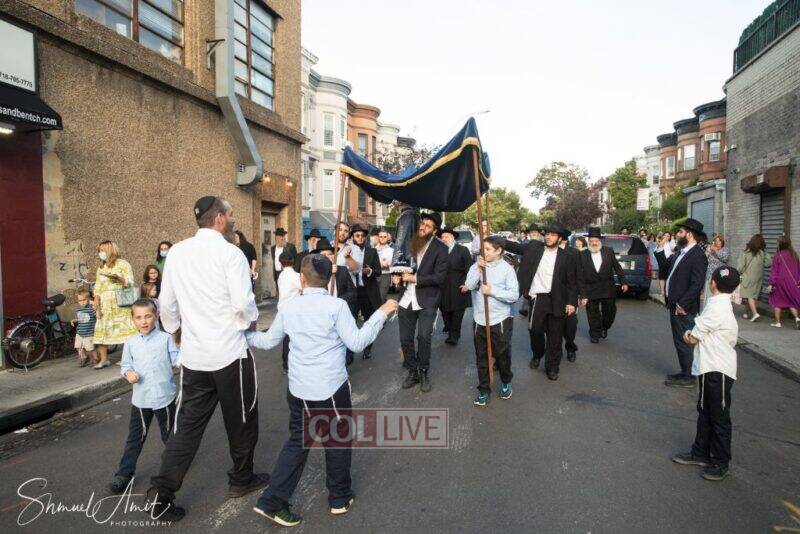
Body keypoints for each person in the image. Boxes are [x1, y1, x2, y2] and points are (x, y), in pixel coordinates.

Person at [246, 255, 398, 526]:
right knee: (336, 440)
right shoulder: (336, 306)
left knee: (298, 441)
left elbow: (268, 341)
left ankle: (272, 501)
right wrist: (381, 313)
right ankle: (339, 498)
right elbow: (357, 343)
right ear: (330, 279)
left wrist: (242, 335)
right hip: (329, 388)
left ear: (302, 278)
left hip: (298, 388)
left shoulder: (290, 307)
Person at [147, 196, 265, 522]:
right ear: (219, 219)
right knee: (241, 420)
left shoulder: (177, 252)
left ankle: (162, 493)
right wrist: (248, 323)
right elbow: (243, 304)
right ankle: (241, 479)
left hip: (195, 357)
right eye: (231, 214)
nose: (234, 219)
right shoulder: (231, 254)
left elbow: (165, 303)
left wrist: (175, 329)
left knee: (186, 427)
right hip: (229, 354)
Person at [671, 266, 740, 482]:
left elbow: (692, 337)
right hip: (709, 366)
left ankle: (720, 462)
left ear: (713, 283)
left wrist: (687, 334)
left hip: (718, 369)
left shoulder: (717, 307)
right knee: (705, 411)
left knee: (719, 417)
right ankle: (700, 452)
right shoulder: (720, 304)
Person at [108, 299, 179, 494]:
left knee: (170, 436)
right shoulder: (130, 343)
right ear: (133, 320)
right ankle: (124, 474)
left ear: (156, 316)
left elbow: (177, 360)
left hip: (164, 397)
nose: (144, 321)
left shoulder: (166, 339)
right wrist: (128, 373)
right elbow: (125, 365)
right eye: (139, 317)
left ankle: (174, 469)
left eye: (148, 316)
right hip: (141, 400)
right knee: (135, 439)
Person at [504, 223, 577, 381]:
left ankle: (552, 367)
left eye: (553, 235)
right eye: (547, 234)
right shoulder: (534, 248)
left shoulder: (567, 257)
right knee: (535, 331)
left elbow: (572, 281)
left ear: (559, 238)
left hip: (558, 299)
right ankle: (537, 354)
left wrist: (572, 302)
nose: (548, 237)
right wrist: (494, 240)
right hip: (538, 298)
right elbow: (515, 247)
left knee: (555, 335)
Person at [464, 236, 518, 406]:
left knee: (502, 354)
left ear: (498, 250)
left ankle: (506, 380)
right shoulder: (476, 265)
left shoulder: (507, 269)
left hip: (499, 319)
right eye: (483, 249)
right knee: (481, 356)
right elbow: (469, 285)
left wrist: (492, 291)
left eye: (487, 249)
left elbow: (513, 295)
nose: (484, 252)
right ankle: (484, 389)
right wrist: (478, 269)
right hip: (479, 319)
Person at [398, 212, 448, 392]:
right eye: (422, 224)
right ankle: (413, 371)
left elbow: (440, 277)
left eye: (428, 226)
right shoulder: (409, 241)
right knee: (405, 339)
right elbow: (401, 263)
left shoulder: (441, 248)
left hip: (427, 299)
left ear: (434, 231)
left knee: (424, 337)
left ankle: (424, 371)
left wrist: (415, 279)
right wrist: (397, 277)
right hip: (406, 299)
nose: (423, 228)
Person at [655, 219, 708, 388]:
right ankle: (685, 371)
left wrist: (682, 304)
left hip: (684, 308)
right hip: (675, 304)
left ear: (689, 235)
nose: (677, 235)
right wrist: (660, 247)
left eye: (680, 232)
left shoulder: (697, 255)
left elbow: (697, 284)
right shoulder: (681, 252)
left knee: (686, 341)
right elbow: (665, 267)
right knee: (679, 340)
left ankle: (690, 376)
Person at [313, 238, 359, 365]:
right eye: (324, 255)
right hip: (322, 317)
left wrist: (338, 302)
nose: (327, 257)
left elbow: (353, 293)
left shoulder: (342, 271)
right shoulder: (314, 274)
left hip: (340, 314)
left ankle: (345, 360)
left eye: (330, 254)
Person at [578, 228, 628, 343]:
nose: (594, 243)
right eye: (591, 241)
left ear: (600, 241)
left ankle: (604, 327)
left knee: (610, 312)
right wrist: (582, 294)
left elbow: (617, 267)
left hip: (607, 287)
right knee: (592, 313)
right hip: (590, 288)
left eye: (596, 240)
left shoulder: (608, 251)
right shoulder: (582, 255)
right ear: (588, 241)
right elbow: (579, 276)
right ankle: (595, 334)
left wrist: (624, 282)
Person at [93, 240, 137, 370]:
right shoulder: (101, 268)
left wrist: (119, 278)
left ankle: (128, 358)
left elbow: (130, 282)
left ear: (110, 250)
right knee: (102, 330)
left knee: (126, 331)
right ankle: (104, 360)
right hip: (105, 305)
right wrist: (96, 299)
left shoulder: (123, 264)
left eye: (103, 250)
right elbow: (98, 286)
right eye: (99, 250)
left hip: (121, 303)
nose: (100, 253)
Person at [341, 225, 383, 359]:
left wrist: (370, 271)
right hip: (352, 291)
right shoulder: (348, 251)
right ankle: (350, 352)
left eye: (363, 236)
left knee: (369, 321)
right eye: (357, 235)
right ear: (352, 237)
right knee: (350, 321)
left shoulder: (372, 252)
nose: (360, 238)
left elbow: (378, 271)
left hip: (367, 291)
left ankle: (367, 348)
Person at [437, 228, 472, 346]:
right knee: (444, 310)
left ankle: (454, 336)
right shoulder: (439, 251)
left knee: (457, 312)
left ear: (453, 238)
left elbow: (469, 268)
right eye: (442, 237)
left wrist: (467, 284)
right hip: (442, 285)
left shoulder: (463, 250)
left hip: (458, 284)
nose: (444, 239)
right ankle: (449, 326)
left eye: (446, 237)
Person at [736, 233, 771, 322]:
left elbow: (740, 267)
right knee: (751, 296)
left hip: (747, 278)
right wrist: (765, 251)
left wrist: (739, 273)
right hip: (758, 279)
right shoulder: (762, 253)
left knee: (749, 296)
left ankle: (755, 314)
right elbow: (768, 263)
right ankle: (746, 313)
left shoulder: (745, 252)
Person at [767, 235, 800, 328]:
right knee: (790, 302)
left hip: (780, 282)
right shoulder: (794, 255)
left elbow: (774, 271)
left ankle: (777, 322)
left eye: (777, 242)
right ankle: (797, 319)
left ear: (780, 244)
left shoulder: (778, 255)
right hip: (792, 282)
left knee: (777, 301)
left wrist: (772, 283)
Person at [277, 250, 302, 372]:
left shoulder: (281, 276)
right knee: (293, 338)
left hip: (282, 308)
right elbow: (303, 288)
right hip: (293, 310)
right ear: (293, 261)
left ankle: (285, 363)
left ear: (281, 263)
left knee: (286, 337)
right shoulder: (296, 276)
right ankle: (291, 363)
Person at [559, 229, 581, 362]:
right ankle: (556, 352)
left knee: (570, 326)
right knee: (554, 327)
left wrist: (582, 295)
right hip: (553, 296)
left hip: (570, 296)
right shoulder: (547, 252)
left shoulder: (574, 253)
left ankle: (570, 347)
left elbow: (579, 275)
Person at [71, 288, 97, 367]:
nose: (82, 302)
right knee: (78, 347)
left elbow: (97, 316)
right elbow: (80, 319)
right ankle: (84, 357)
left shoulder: (91, 309)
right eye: (80, 300)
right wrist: (74, 320)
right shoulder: (79, 310)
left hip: (89, 333)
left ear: (88, 299)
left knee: (90, 348)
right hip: (80, 332)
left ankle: (95, 358)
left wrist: (95, 307)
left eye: (84, 300)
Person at [271, 228, 297, 296]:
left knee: (287, 291)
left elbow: (296, 260)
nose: (283, 238)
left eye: (283, 236)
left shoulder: (290, 247)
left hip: (287, 273)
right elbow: (274, 260)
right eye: (280, 236)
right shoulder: (272, 248)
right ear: (276, 238)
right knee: (279, 291)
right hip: (277, 273)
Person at [704, 235, 730, 303]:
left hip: (720, 276)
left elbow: (724, 258)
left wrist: (715, 250)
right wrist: (708, 250)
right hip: (710, 275)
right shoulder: (711, 249)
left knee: (719, 294)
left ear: (722, 242)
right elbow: (704, 258)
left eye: (719, 241)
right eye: (716, 241)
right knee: (709, 294)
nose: (717, 242)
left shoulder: (725, 249)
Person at [376, 229, 394, 301]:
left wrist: (377, 264)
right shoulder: (373, 249)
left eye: (385, 237)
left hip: (385, 276)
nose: (383, 238)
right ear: (378, 237)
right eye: (381, 236)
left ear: (387, 238)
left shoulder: (391, 250)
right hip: (374, 275)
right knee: (374, 298)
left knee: (381, 298)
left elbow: (388, 264)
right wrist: (382, 263)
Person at [655, 231, 674, 296]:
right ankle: (662, 291)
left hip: (669, 261)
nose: (666, 237)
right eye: (665, 235)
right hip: (662, 260)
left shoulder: (670, 243)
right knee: (662, 277)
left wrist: (672, 253)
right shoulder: (660, 241)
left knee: (668, 276)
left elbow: (674, 249)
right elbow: (659, 244)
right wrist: (662, 238)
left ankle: (667, 291)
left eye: (668, 236)